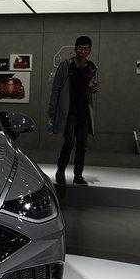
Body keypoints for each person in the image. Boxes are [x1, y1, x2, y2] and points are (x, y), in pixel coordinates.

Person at [47, 36, 100, 185]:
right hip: (68, 111)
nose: (83, 51)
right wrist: (52, 109)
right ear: (75, 49)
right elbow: (56, 88)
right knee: (69, 142)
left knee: (82, 145)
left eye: (86, 49)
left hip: (84, 112)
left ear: (90, 51)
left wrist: (94, 89)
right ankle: (60, 171)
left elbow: (92, 87)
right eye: (80, 48)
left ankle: (78, 174)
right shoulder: (66, 65)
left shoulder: (92, 67)